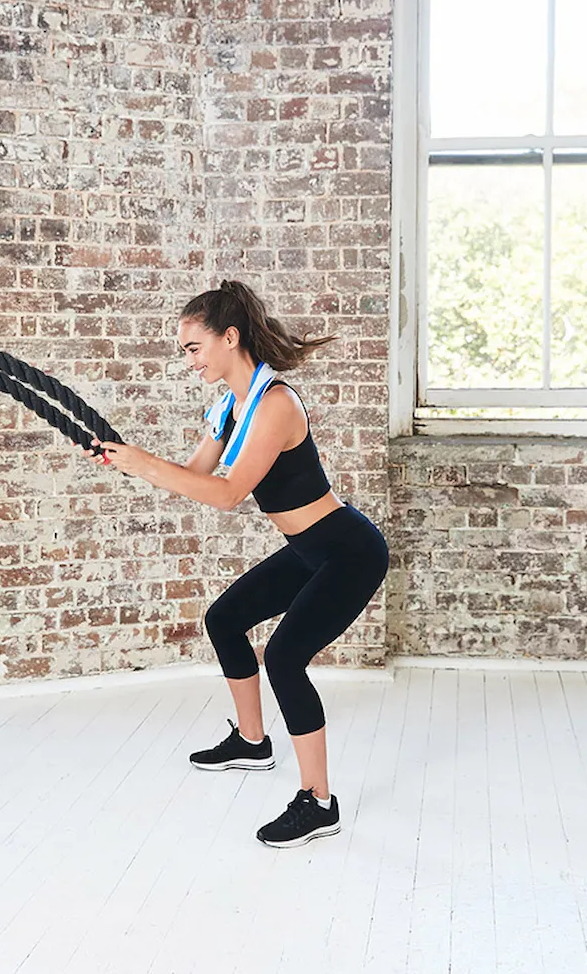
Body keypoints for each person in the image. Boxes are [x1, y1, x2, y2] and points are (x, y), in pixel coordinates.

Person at [82, 279, 389, 848]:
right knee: (224, 619)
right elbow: (195, 475)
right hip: (308, 549)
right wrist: (128, 461)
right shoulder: (229, 405)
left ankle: (319, 802)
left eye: (194, 348)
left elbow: (227, 494)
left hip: (349, 552)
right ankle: (252, 742)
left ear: (230, 337)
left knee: (286, 658)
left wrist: (146, 463)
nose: (190, 361)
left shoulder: (276, 404)